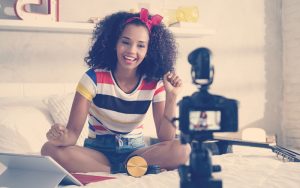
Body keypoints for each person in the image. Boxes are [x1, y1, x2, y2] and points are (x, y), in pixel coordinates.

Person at [41, 8, 190, 173]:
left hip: (136, 152)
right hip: (97, 153)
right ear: (114, 43)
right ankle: (128, 170)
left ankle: (123, 168)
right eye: (125, 42)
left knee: (182, 148)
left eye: (141, 45)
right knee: (48, 150)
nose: (132, 51)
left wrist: (172, 96)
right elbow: (73, 135)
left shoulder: (154, 82)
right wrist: (59, 136)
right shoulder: (93, 78)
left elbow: (166, 138)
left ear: (149, 51)